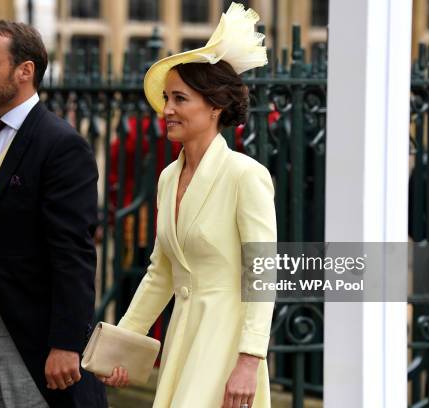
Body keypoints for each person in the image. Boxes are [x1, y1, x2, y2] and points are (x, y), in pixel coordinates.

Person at [100, 3, 276, 408]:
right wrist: (122, 346)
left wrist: (249, 360)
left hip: (226, 342)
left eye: (180, 98)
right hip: (183, 335)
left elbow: (262, 272)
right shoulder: (166, 178)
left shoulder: (245, 175)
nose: (168, 110)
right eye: (166, 98)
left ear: (214, 106)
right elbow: (160, 272)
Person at [0, 20, 106, 407]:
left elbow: (74, 252)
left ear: (25, 71)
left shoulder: (62, 145)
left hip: (37, 337)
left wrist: (66, 344)